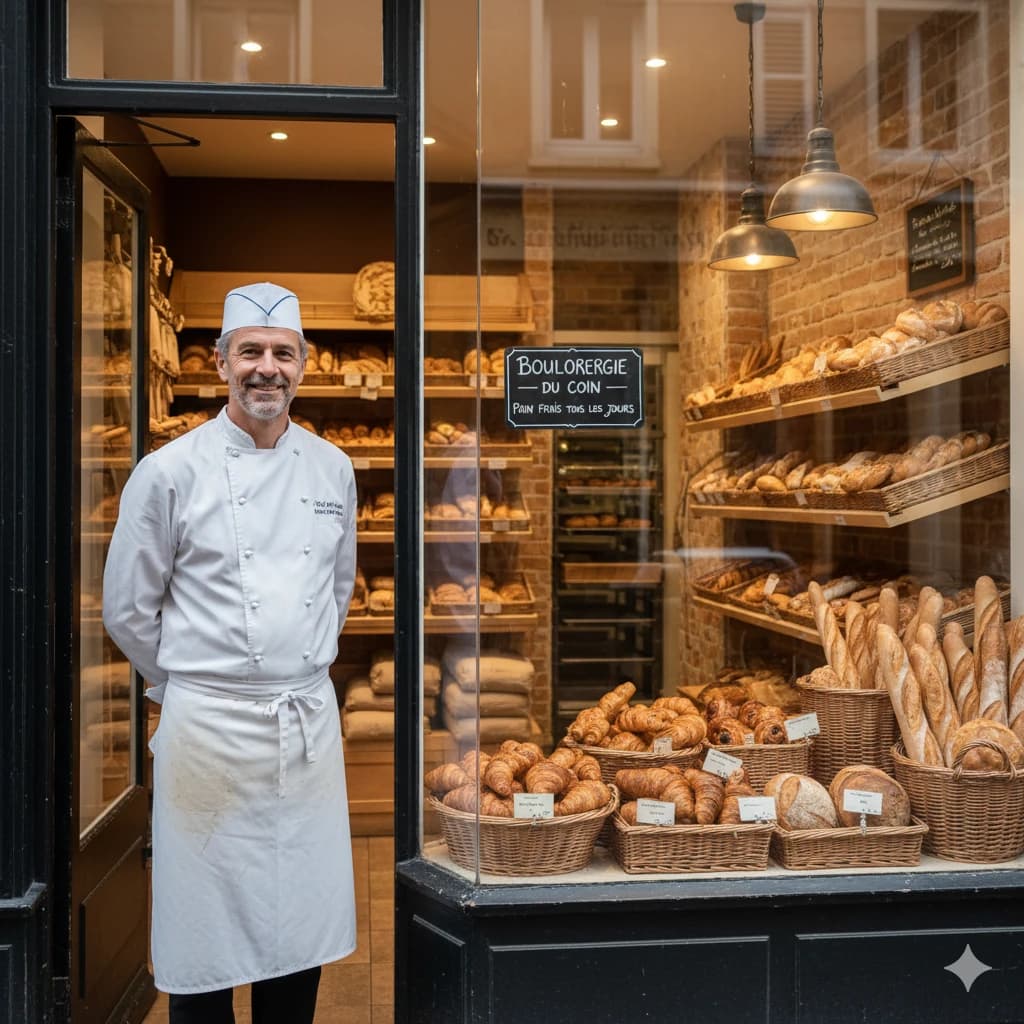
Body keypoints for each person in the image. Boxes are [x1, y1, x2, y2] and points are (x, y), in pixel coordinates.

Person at [103, 283, 358, 1023]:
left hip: (305, 732)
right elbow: (127, 609)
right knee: (204, 940)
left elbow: (336, 590)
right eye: (250, 352)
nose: (266, 368)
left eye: (283, 353)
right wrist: (196, 684)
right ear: (221, 363)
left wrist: (291, 666)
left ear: (304, 364)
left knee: (299, 933)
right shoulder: (169, 471)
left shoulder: (333, 468)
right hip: (208, 736)